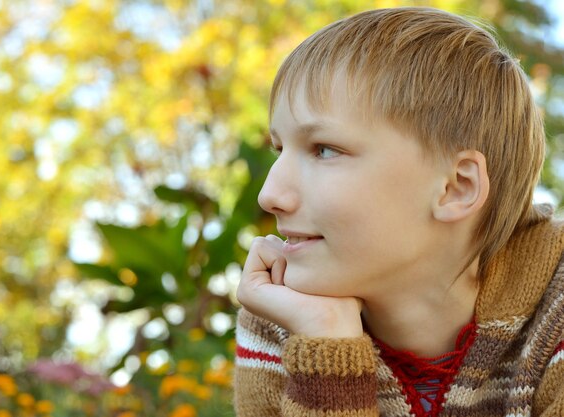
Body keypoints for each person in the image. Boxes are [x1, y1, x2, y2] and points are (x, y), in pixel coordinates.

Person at [234, 7, 564, 417]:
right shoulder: (283, 318)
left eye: (324, 149)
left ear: (455, 188)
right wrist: (327, 349)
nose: (270, 195)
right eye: (280, 150)